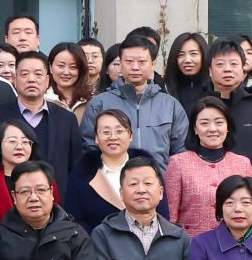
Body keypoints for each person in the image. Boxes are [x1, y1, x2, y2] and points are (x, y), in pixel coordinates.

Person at [78, 37, 185, 167]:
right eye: (129, 61)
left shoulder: (170, 105)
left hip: (158, 178)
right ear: (121, 63)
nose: (135, 67)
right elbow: (89, 148)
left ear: (152, 63)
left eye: (142, 62)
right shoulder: (99, 103)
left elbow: (180, 153)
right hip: (112, 178)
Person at [162, 97, 252, 237]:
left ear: (228, 127)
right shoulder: (178, 163)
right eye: (204, 123)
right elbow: (170, 216)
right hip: (192, 244)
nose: (212, 129)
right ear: (195, 128)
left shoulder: (243, 164)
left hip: (235, 244)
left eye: (219, 122)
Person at [62, 109, 153, 229]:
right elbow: (75, 219)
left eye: (119, 131)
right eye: (106, 132)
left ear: (130, 136)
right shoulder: (82, 173)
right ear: (96, 138)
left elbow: (161, 214)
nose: (113, 137)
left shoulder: (148, 168)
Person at [0, 50, 78, 169]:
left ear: (47, 81)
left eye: (38, 74)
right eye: (24, 74)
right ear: (15, 79)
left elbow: (76, 166)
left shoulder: (67, 119)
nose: (31, 79)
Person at [204, 40, 252, 154]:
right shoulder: (197, 109)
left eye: (234, 64)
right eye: (220, 64)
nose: (227, 69)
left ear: (243, 71)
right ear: (210, 71)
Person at [163, 32, 212, 112]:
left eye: (193, 54)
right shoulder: (165, 89)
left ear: (204, 55)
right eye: (181, 55)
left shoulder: (215, 88)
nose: (187, 60)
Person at [47, 42, 93, 120]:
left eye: (73, 67)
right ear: (50, 67)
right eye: (61, 66)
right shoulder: (41, 99)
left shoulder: (92, 100)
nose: (66, 72)